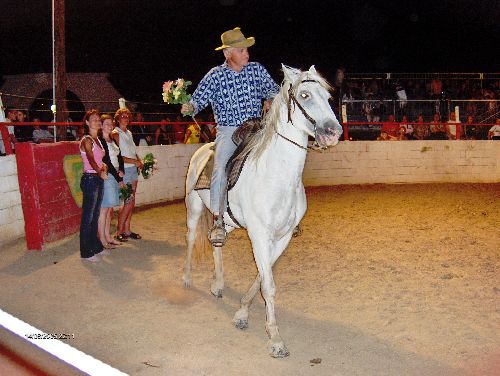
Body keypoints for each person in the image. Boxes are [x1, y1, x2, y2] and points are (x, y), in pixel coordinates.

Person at [181, 27, 279, 246]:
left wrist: (271, 98)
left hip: (257, 128)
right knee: (220, 167)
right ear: (229, 53)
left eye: (246, 50)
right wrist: (189, 106)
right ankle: (217, 221)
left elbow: (274, 89)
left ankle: (282, 212)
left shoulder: (257, 70)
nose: (247, 54)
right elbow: (198, 99)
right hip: (228, 130)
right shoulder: (215, 76)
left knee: (280, 156)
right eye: (242, 50)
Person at [79, 109, 107, 262]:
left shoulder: (98, 140)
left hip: (97, 178)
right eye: (94, 119)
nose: (97, 121)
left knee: (95, 215)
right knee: (88, 217)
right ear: (87, 123)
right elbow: (90, 159)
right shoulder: (87, 140)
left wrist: (104, 167)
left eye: (98, 119)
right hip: (90, 178)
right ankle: (86, 252)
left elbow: (98, 159)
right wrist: (99, 170)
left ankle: (95, 246)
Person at [111, 108, 143, 242]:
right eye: (123, 116)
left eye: (127, 116)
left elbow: (132, 151)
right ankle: (119, 231)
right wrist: (135, 162)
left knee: (131, 201)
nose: (125, 118)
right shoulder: (115, 133)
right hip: (125, 169)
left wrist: (140, 162)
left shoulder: (128, 132)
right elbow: (119, 156)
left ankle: (127, 230)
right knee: (128, 201)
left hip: (133, 169)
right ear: (118, 119)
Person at [98, 114, 125, 249]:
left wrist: (122, 170)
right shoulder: (100, 141)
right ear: (101, 125)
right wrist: (118, 177)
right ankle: (102, 239)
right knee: (104, 209)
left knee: (109, 209)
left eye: (111, 123)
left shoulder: (112, 140)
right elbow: (106, 161)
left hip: (115, 174)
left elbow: (119, 157)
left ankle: (108, 236)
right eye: (106, 123)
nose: (109, 126)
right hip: (108, 175)